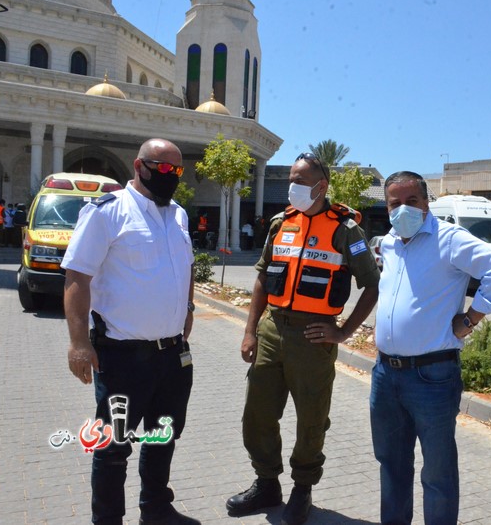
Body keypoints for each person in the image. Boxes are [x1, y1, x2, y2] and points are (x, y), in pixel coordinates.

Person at [226, 152, 380, 525]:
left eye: (299, 180)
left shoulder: (346, 229)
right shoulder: (282, 223)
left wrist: (343, 331)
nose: (292, 187)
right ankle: (266, 483)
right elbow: (263, 276)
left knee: (311, 418)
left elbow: (372, 285)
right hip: (272, 328)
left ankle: (302, 489)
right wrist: (250, 330)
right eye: (291, 179)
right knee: (257, 414)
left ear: (321, 186)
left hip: (313, 336)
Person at [62, 138, 200, 525]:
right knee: (113, 447)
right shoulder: (107, 212)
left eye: (179, 171)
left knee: (163, 436)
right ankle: (107, 520)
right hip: (122, 357)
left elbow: (186, 266)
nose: (173, 177)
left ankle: (155, 508)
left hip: (172, 355)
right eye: (166, 169)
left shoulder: (178, 215)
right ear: (140, 166)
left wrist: (188, 307)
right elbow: (77, 277)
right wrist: (77, 343)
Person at [371, 171, 491, 525]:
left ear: (426, 203)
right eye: (395, 203)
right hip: (384, 373)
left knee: (437, 473)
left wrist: (471, 319)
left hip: (431, 376)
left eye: (412, 201)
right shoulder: (389, 242)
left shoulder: (449, 239)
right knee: (391, 464)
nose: (403, 209)